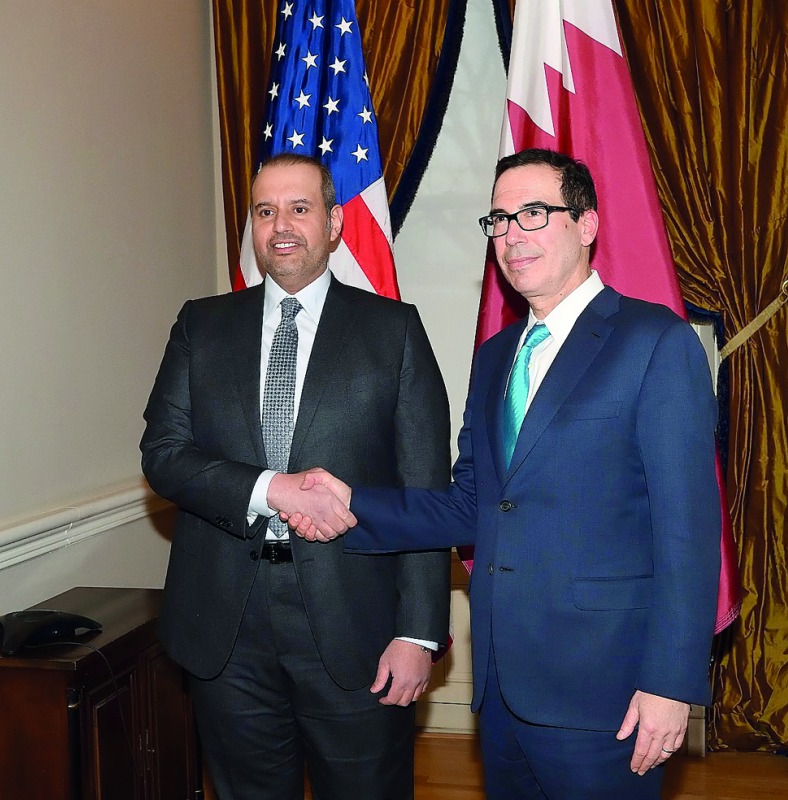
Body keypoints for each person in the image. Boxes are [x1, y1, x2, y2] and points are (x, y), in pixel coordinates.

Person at [285, 148, 721, 800]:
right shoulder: (495, 359)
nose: (512, 235)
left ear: (587, 224)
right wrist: (353, 501)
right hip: (500, 683)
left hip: (607, 690)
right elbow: (473, 506)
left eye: (534, 214)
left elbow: (688, 531)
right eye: (499, 220)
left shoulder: (653, 342)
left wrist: (670, 683)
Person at [140, 152, 451, 800]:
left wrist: (418, 631)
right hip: (226, 627)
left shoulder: (392, 332)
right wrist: (270, 488)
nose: (281, 225)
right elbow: (164, 453)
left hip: (355, 626)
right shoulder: (201, 326)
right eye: (265, 210)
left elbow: (426, 493)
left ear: (334, 222)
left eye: (300, 208)